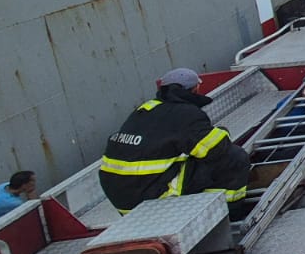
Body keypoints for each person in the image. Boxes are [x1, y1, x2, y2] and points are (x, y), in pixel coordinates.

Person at [99, 69, 250, 214]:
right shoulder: (187, 114)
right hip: (152, 198)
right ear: (195, 89)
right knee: (235, 157)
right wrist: (223, 132)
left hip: (122, 200)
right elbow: (217, 149)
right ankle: (228, 211)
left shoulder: (145, 109)